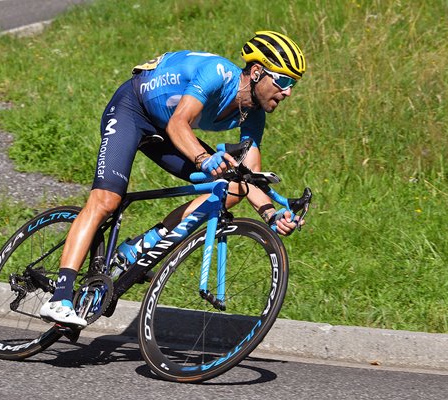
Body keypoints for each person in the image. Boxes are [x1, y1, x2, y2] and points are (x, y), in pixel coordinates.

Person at [40, 30, 307, 327]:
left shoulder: (254, 116)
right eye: (283, 81)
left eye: (293, 84)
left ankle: (138, 249)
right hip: (133, 109)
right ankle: (60, 297)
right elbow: (179, 122)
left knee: (232, 187)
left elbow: (249, 176)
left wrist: (272, 214)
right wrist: (205, 159)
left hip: (165, 129)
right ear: (257, 72)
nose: (288, 93)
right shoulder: (217, 74)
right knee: (106, 200)